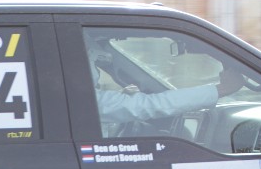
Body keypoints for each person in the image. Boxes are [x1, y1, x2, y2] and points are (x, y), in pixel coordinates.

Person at [91, 47, 245, 136]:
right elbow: (148, 105)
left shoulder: (85, 99)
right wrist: (221, 89)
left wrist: (122, 98)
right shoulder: (84, 101)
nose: (95, 68)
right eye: (93, 62)